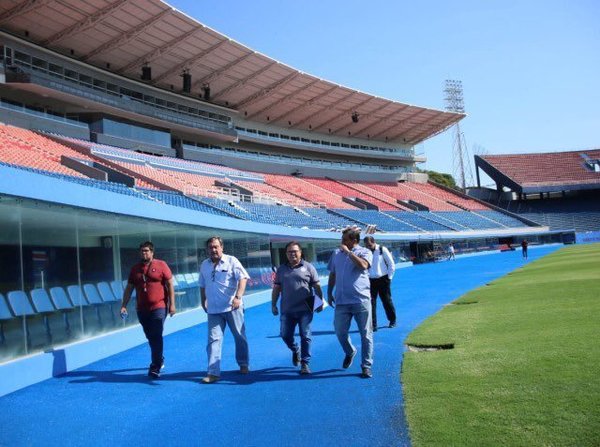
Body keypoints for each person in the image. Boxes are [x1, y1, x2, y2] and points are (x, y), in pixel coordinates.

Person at [199, 236, 250, 384]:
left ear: (222, 247)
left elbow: (243, 278)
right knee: (213, 340)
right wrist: (203, 300)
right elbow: (202, 284)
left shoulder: (231, 260)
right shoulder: (204, 265)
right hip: (214, 310)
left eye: (216, 247)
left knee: (239, 336)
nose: (213, 250)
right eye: (210, 247)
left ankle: (243, 363)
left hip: (232, 307)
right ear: (207, 249)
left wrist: (238, 297)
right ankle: (213, 372)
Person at [121, 241, 176, 379]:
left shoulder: (161, 265)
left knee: (156, 334)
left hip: (159, 306)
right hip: (142, 309)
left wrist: (172, 304)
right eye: (142, 251)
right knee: (150, 336)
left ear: (152, 252)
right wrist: (124, 305)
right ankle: (159, 358)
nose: (144, 253)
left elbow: (170, 284)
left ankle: (155, 366)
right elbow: (129, 288)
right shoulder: (135, 269)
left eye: (146, 251)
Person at [327, 227, 374, 378]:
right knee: (340, 331)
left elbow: (363, 266)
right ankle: (350, 351)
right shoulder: (335, 254)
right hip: (341, 301)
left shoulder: (364, 252)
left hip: (360, 300)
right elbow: (332, 274)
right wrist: (329, 292)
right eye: (342, 239)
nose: (342, 242)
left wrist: (348, 252)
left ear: (354, 240)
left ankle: (366, 365)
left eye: (345, 239)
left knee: (366, 334)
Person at [271, 241, 324, 375]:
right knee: (285, 335)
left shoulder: (309, 267)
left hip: (305, 309)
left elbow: (317, 286)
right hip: (287, 310)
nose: (292, 254)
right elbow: (276, 288)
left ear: (300, 252)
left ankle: (305, 363)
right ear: (286, 254)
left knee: (305, 335)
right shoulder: (281, 269)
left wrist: (320, 303)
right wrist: (273, 304)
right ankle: (295, 350)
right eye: (289, 252)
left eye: (295, 251)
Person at [363, 236, 396, 331]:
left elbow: (391, 264)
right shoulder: (365, 251)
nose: (368, 247)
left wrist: (389, 278)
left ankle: (392, 320)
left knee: (387, 301)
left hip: (383, 279)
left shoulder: (382, 249)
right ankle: (373, 325)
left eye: (369, 245)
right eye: (366, 245)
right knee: (371, 303)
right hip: (371, 281)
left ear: (374, 242)